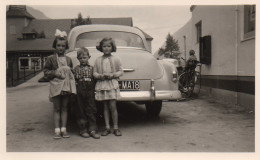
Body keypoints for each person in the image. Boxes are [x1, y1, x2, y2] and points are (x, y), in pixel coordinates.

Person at [43, 29, 76, 139]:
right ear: (55, 46)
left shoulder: (69, 59)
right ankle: (57, 130)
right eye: (58, 45)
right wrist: (55, 73)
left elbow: (71, 73)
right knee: (57, 108)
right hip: (56, 86)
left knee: (65, 108)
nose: (61, 48)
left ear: (66, 47)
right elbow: (46, 72)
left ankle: (64, 129)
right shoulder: (50, 59)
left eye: (63, 46)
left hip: (66, 87)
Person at [93, 37, 123, 136]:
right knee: (105, 107)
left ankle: (116, 127)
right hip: (102, 85)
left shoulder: (116, 59)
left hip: (111, 84)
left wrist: (113, 75)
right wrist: (100, 76)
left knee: (113, 107)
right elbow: (95, 73)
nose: (106, 48)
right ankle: (107, 127)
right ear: (101, 47)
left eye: (108, 46)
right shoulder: (98, 60)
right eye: (104, 46)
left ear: (112, 47)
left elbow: (120, 71)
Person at [73, 47, 100, 139]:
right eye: (80, 58)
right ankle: (83, 129)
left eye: (84, 57)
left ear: (89, 57)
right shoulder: (76, 69)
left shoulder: (92, 69)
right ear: (78, 59)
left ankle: (92, 129)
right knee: (81, 109)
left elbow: (95, 80)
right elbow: (74, 80)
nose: (83, 60)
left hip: (90, 90)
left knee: (91, 108)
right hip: (80, 90)